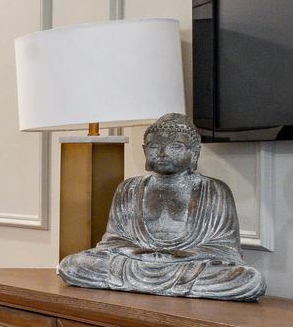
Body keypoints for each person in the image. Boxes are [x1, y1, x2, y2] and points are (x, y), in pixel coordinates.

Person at [57, 113, 265, 301]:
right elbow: (114, 240)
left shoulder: (214, 190)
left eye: (175, 146)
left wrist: (187, 254)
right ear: (144, 150)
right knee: (71, 266)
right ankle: (156, 282)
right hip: (136, 264)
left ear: (194, 153)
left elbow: (225, 248)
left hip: (188, 267)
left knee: (249, 280)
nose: (163, 153)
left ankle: (158, 283)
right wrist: (139, 253)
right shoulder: (129, 188)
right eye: (154, 146)